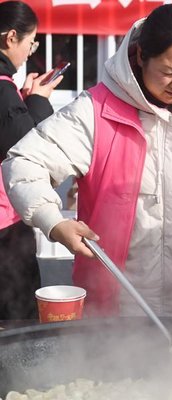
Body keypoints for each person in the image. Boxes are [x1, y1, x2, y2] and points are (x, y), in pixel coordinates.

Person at [2, 3, 172, 318]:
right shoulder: (96, 111)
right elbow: (24, 163)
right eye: (169, 71)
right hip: (118, 313)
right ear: (141, 56)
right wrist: (55, 222)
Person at [0, 0, 62, 319]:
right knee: (16, 316)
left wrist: (24, 102)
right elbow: (24, 149)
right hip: (5, 226)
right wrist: (37, 103)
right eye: (31, 41)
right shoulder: (3, 89)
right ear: (11, 38)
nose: (29, 50)